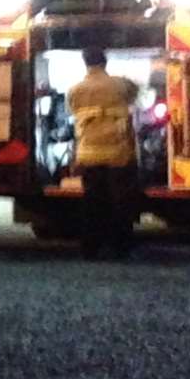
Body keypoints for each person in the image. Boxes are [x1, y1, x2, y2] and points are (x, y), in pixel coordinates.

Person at [66, 46, 140, 258]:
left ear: (85, 63)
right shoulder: (121, 85)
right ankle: (121, 247)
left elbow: (71, 111)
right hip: (119, 154)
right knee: (120, 201)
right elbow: (134, 95)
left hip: (88, 154)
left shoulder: (75, 90)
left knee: (92, 201)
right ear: (105, 62)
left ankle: (91, 248)